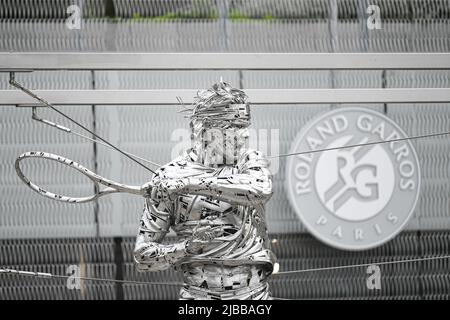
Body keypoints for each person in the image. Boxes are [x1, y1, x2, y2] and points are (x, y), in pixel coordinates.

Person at [133, 81, 276, 300]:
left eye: (245, 126)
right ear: (202, 129)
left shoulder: (249, 161)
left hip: (254, 295)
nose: (244, 136)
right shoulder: (168, 176)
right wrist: (187, 247)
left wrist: (188, 184)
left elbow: (260, 189)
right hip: (197, 295)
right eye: (232, 128)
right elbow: (143, 257)